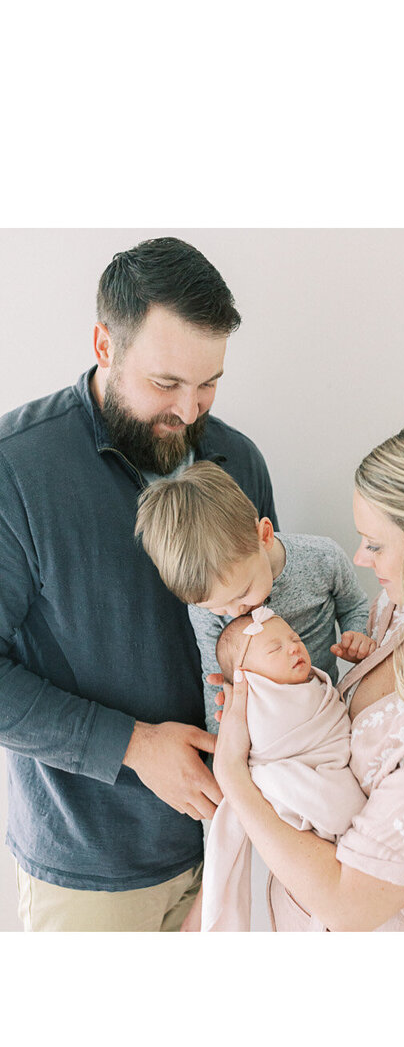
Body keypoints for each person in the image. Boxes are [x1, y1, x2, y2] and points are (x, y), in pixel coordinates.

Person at [0, 237, 274, 931]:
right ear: (104, 343)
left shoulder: (238, 459)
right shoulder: (16, 470)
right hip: (93, 878)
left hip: (239, 853)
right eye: (165, 383)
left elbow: (263, 620)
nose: (189, 410)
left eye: (209, 383)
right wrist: (133, 744)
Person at [211, 415, 404, 931]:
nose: (358, 557)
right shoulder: (402, 609)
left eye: (375, 545)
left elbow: (348, 904)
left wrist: (236, 779)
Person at [134, 459, 371, 732]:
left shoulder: (322, 558)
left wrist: (356, 635)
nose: (235, 613)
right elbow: (215, 680)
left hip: (327, 710)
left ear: (265, 536)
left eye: (243, 593)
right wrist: (221, 743)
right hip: (263, 728)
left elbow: (354, 605)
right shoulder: (202, 608)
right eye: (219, 609)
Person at [201, 610, 367, 931]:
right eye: (275, 649)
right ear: (245, 676)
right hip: (290, 783)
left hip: (328, 768)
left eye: (294, 639)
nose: (293, 648)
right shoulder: (255, 704)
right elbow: (262, 755)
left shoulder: (317, 686)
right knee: (339, 809)